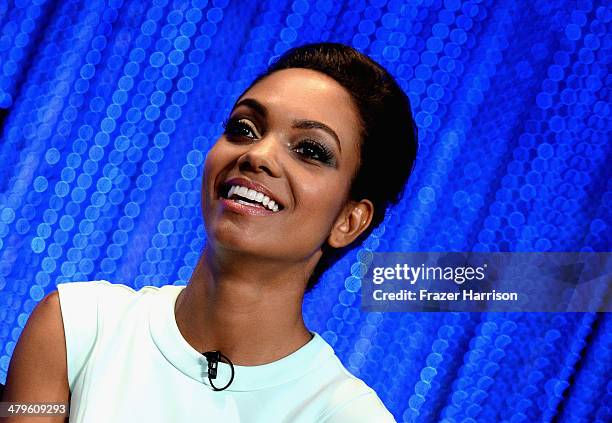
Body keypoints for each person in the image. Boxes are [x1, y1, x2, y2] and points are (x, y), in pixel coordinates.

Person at [2, 42, 417, 422]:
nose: (258, 155)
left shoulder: (345, 414)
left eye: (309, 150)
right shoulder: (74, 328)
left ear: (349, 220)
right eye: (244, 128)